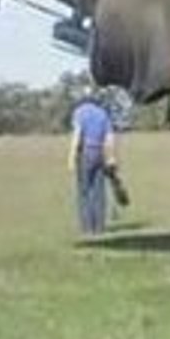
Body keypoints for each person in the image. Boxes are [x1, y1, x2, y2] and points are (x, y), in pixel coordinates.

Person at [67, 89, 117, 236]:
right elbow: (109, 138)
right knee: (98, 192)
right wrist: (111, 157)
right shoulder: (103, 113)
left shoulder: (79, 112)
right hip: (99, 154)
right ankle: (99, 228)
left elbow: (77, 134)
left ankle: (87, 228)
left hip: (85, 154)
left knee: (84, 191)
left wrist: (71, 156)